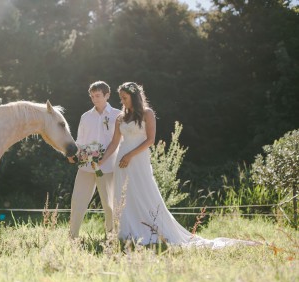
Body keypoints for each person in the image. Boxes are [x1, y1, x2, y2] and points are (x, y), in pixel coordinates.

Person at [99, 82, 256, 248]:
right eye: (121, 98)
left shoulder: (147, 113)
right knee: (124, 196)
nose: (122, 101)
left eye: (125, 98)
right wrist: (101, 160)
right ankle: (127, 232)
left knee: (144, 192)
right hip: (121, 163)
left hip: (138, 160)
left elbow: (150, 140)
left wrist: (130, 155)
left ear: (134, 97)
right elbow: (114, 143)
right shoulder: (120, 118)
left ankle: (150, 231)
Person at [68, 81, 122, 239]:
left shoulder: (117, 115)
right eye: (92, 96)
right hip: (85, 167)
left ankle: (111, 237)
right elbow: (80, 141)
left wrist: (102, 161)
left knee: (109, 204)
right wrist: (74, 155)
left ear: (107, 95)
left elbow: (119, 141)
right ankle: (73, 236)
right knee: (77, 202)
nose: (94, 99)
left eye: (98, 96)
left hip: (108, 167)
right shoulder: (86, 116)